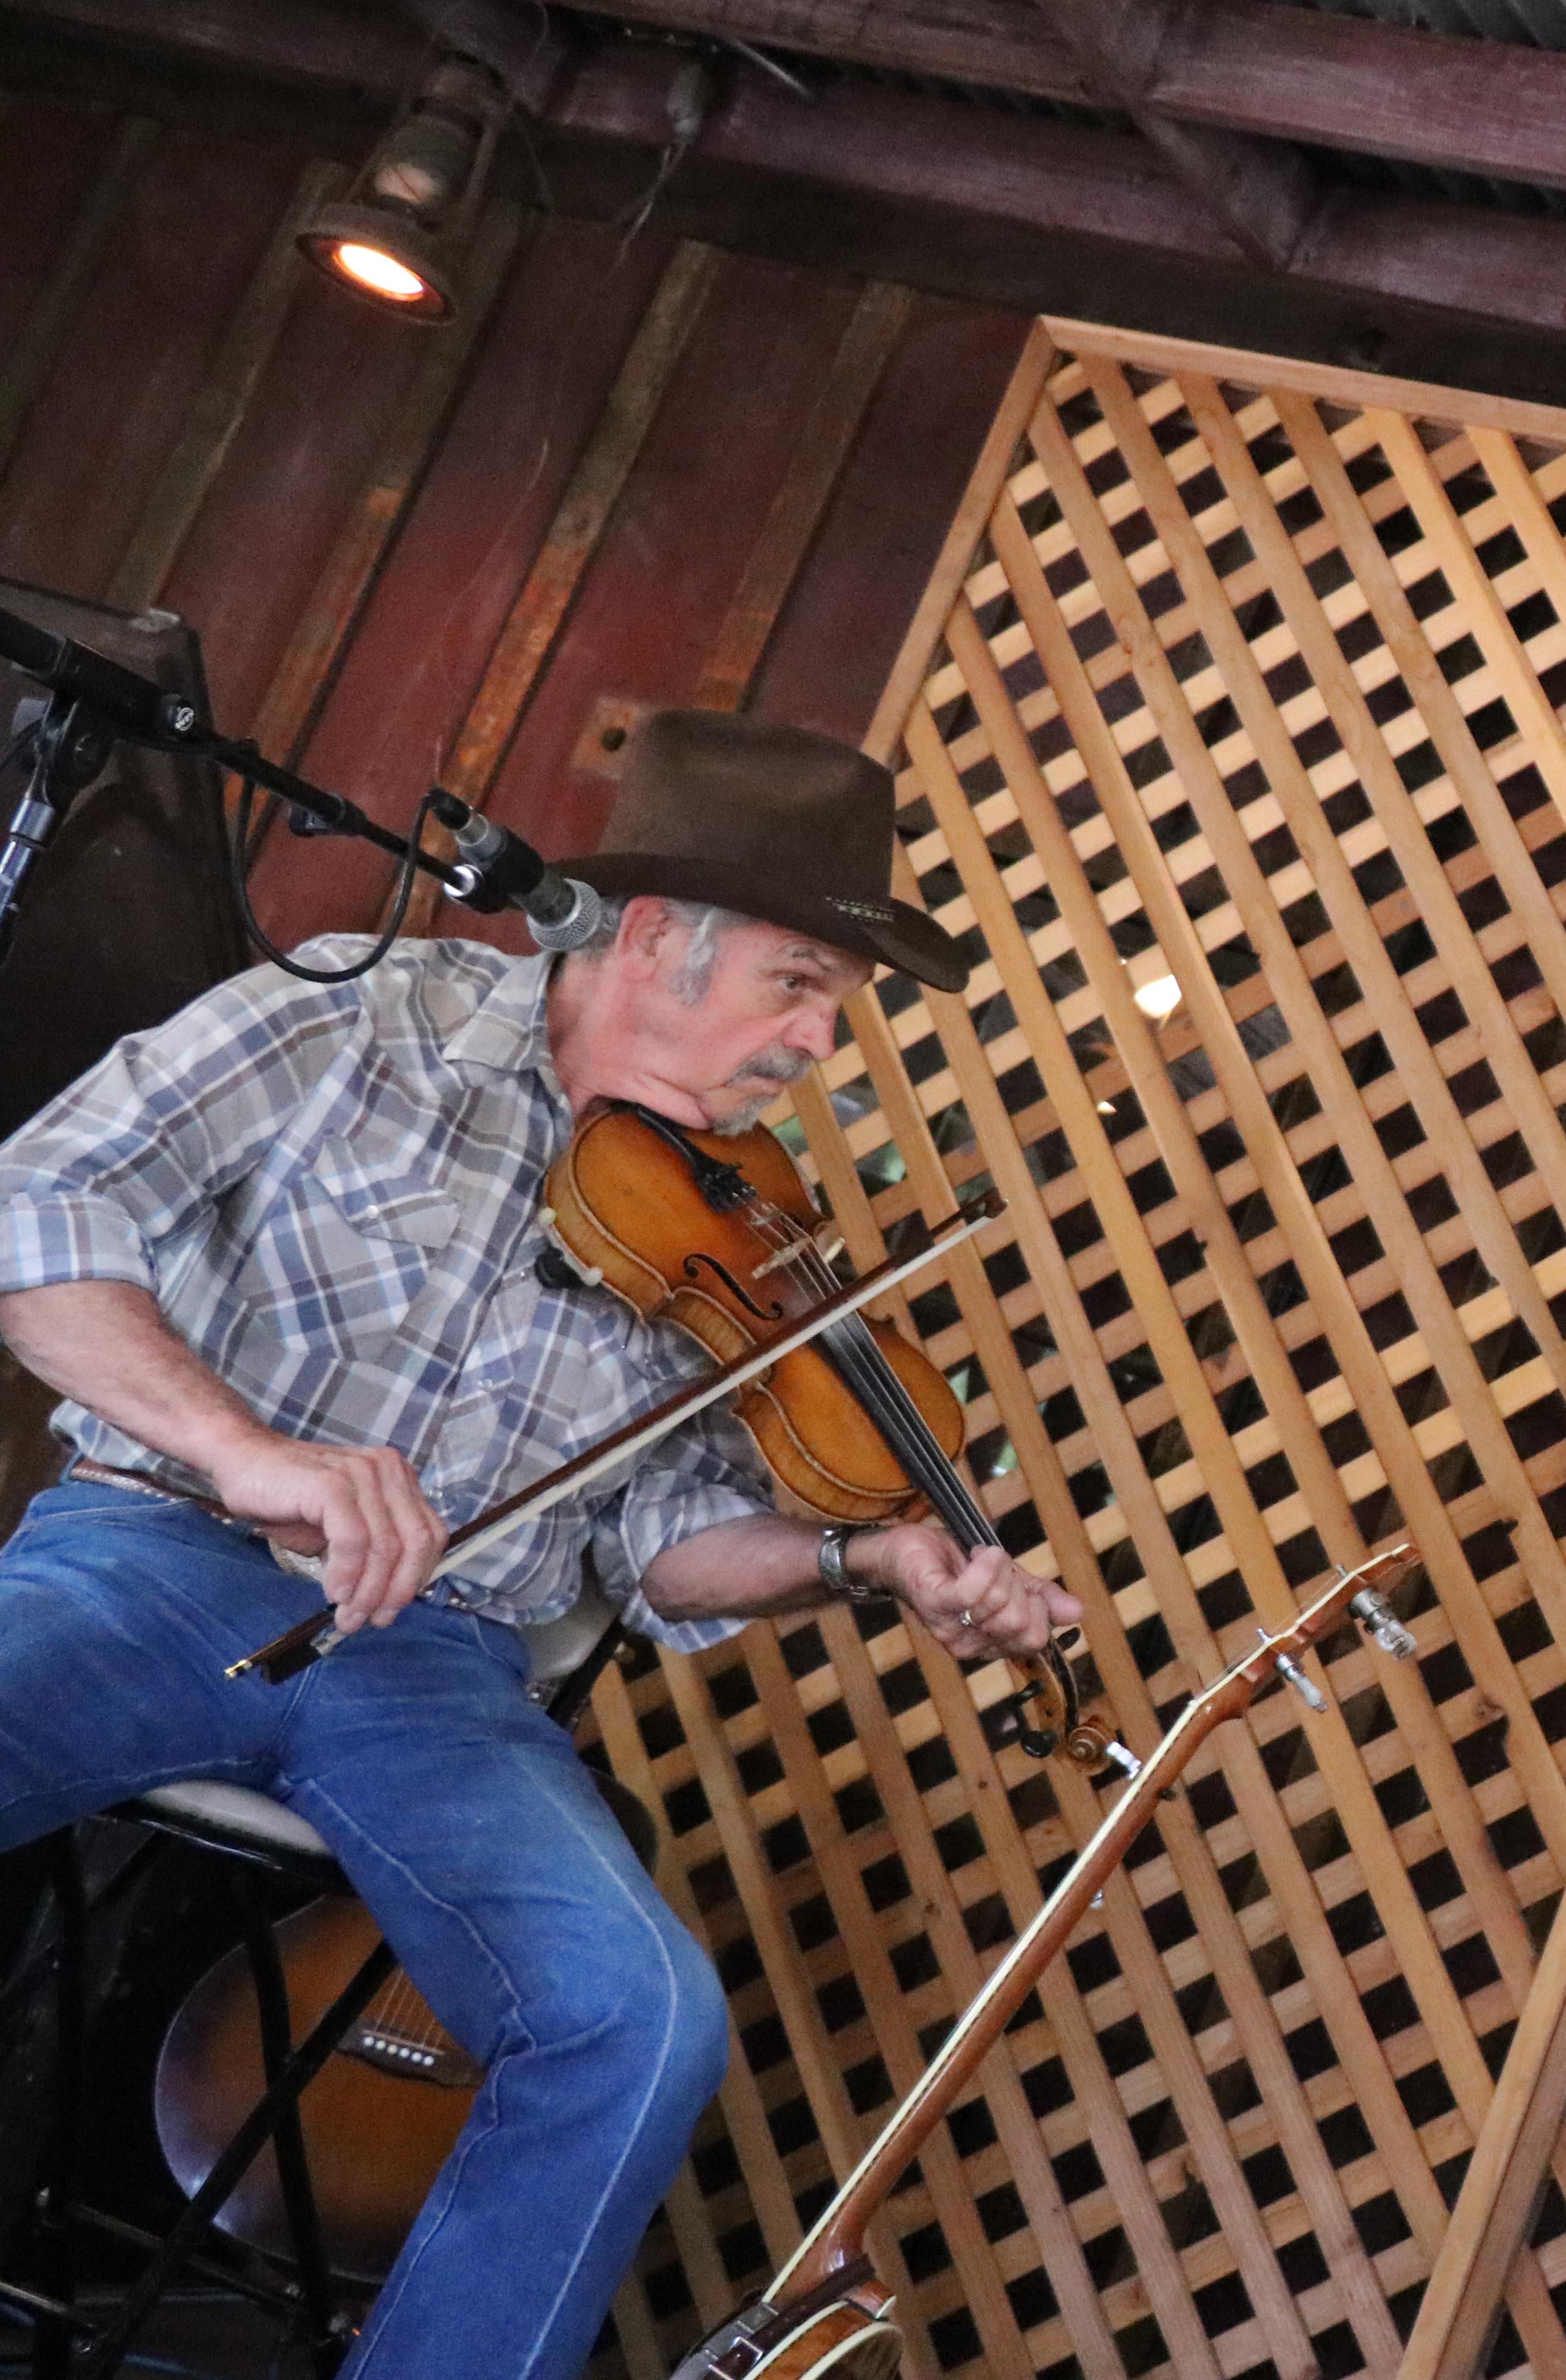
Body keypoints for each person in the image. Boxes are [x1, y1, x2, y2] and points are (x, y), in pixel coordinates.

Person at [0, 710, 1081, 2380]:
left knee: (636, 2023)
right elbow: (41, 1205)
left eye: (837, 1006)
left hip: (438, 1672)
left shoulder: (732, 1214)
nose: (819, 1041)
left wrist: (863, 1563)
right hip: (158, 1551)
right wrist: (244, 1449)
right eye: (800, 983)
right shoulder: (360, 1012)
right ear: (649, 938)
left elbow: (658, 1544)